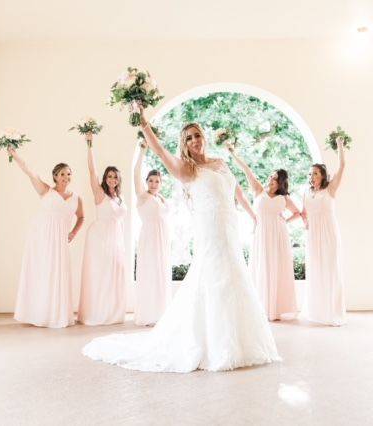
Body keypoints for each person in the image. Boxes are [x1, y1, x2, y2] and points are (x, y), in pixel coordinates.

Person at [82, 106, 280, 372]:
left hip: (229, 226)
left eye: (197, 135)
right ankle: (214, 344)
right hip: (210, 229)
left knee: (233, 274)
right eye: (188, 138)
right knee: (214, 275)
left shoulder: (220, 163)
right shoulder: (187, 169)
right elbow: (161, 151)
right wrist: (143, 121)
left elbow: (237, 191)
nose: (195, 140)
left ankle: (240, 340)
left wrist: (250, 214)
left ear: (204, 137)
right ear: (184, 144)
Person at [8, 148, 83, 328]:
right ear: (55, 176)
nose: (66, 177)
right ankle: (39, 313)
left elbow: (81, 217)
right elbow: (29, 171)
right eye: (62, 174)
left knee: (59, 273)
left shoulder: (76, 198)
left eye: (69, 174)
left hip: (61, 241)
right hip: (42, 238)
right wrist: (15, 154)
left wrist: (73, 232)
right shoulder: (46, 191)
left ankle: (57, 314)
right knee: (44, 272)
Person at [229, 148, 301, 321]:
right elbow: (247, 170)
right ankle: (261, 307)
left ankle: (275, 309)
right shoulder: (259, 191)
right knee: (262, 265)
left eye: (275, 178)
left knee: (276, 266)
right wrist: (233, 154)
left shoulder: (284, 198)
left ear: (281, 183)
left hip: (278, 235)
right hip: (261, 234)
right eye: (271, 176)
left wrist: (285, 221)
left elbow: (297, 213)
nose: (271, 179)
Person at [78, 133, 127, 326]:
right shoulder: (100, 193)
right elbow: (92, 172)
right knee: (100, 273)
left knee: (113, 273)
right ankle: (97, 312)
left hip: (115, 238)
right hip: (100, 237)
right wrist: (89, 145)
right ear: (105, 179)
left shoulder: (119, 198)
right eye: (109, 176)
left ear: (118, 179)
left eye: (115, 177)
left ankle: (111, 312)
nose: (112, 179)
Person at [301, 138, 347, 326]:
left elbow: (342, 165)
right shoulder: (306, 192)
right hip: (313, 236)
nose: (312, 176)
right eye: (311, 173)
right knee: (316, 270)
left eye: (316, 173)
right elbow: (305, 213)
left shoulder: (330, 189)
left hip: (328, 234)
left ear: (323, 175)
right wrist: (306, 223)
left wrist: (340, 146)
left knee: (330, 270)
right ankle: (317, 310)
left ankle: (332, 312)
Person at [133, 143, 171, 326]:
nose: (153, 184)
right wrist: (142, 152)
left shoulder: (161, 198)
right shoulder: (143, 196)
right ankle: (148, 314)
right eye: (150, 180)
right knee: (149, 272)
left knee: (160, 272)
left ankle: (161, 313)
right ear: (146, 181)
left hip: (162, 239)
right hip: (149, 238)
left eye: (157, 181)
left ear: (161, 183)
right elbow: (135, 173)